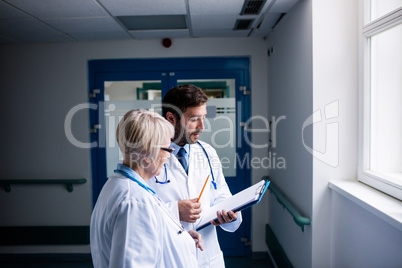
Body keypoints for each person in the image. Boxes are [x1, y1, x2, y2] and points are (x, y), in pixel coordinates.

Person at [90, 109, 203, 268]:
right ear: (145, 152)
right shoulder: (134, 203)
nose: (169, 156)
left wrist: (180, 240)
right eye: (167, 149)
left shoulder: (121, 185)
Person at [147, 84, 242, 267]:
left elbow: (222, 194)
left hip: (207, 257)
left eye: (203, 118)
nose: (202, 126)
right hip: (169, 257)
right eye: (194, 119)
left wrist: (231, 215)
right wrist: (175, 210)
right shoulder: (149, 156)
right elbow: (138, 210)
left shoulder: (208, 152)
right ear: (171, 118)